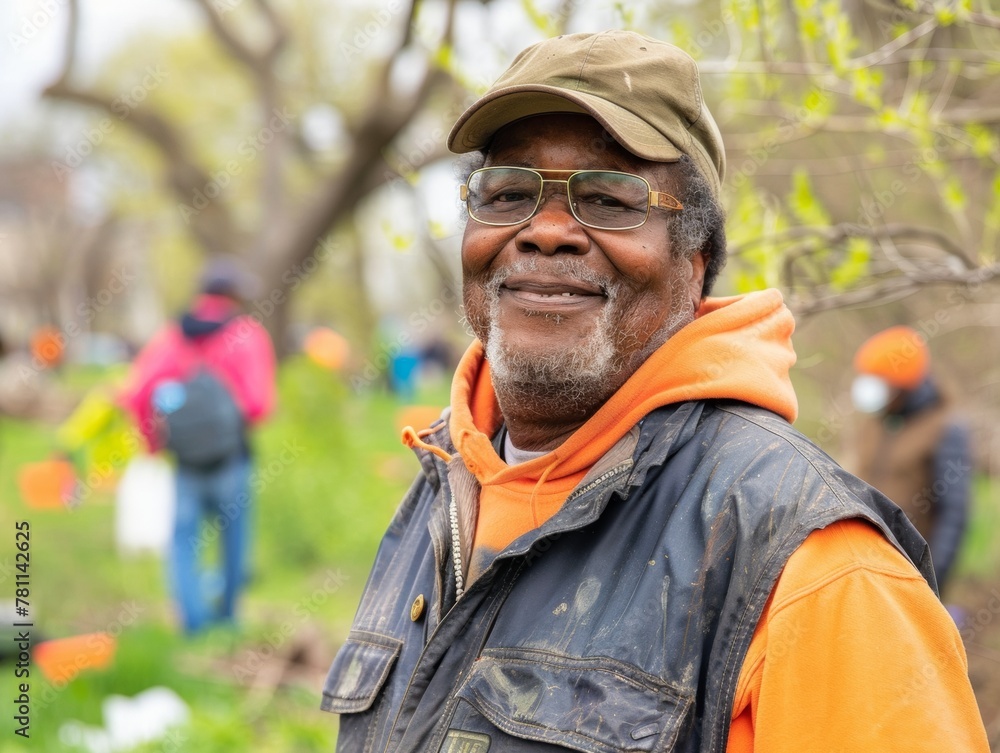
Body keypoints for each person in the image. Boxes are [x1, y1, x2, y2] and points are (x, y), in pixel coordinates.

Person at [321, 31, 988, 752]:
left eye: (609, 198)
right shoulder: (442, 485)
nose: (545, 231)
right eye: (509, 193)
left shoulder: (814, 569)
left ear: (693, 265)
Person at [120, 259, 276, 634]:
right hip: (231, 457)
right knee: (233, 538)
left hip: (186, 460)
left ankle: (192, 623)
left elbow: (136, 393)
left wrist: (153, 442)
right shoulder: (247, 334)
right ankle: (226, 619)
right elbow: (259, 404)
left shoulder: (172, 336)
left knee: (183, 541)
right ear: (234, 295)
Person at [847, 325, 973, 592]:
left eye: (877, 380)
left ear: (900, 385)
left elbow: (954, 514)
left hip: (912, 576)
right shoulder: (875, 423)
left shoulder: (945, 428)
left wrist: (931, 583)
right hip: (866, 569)